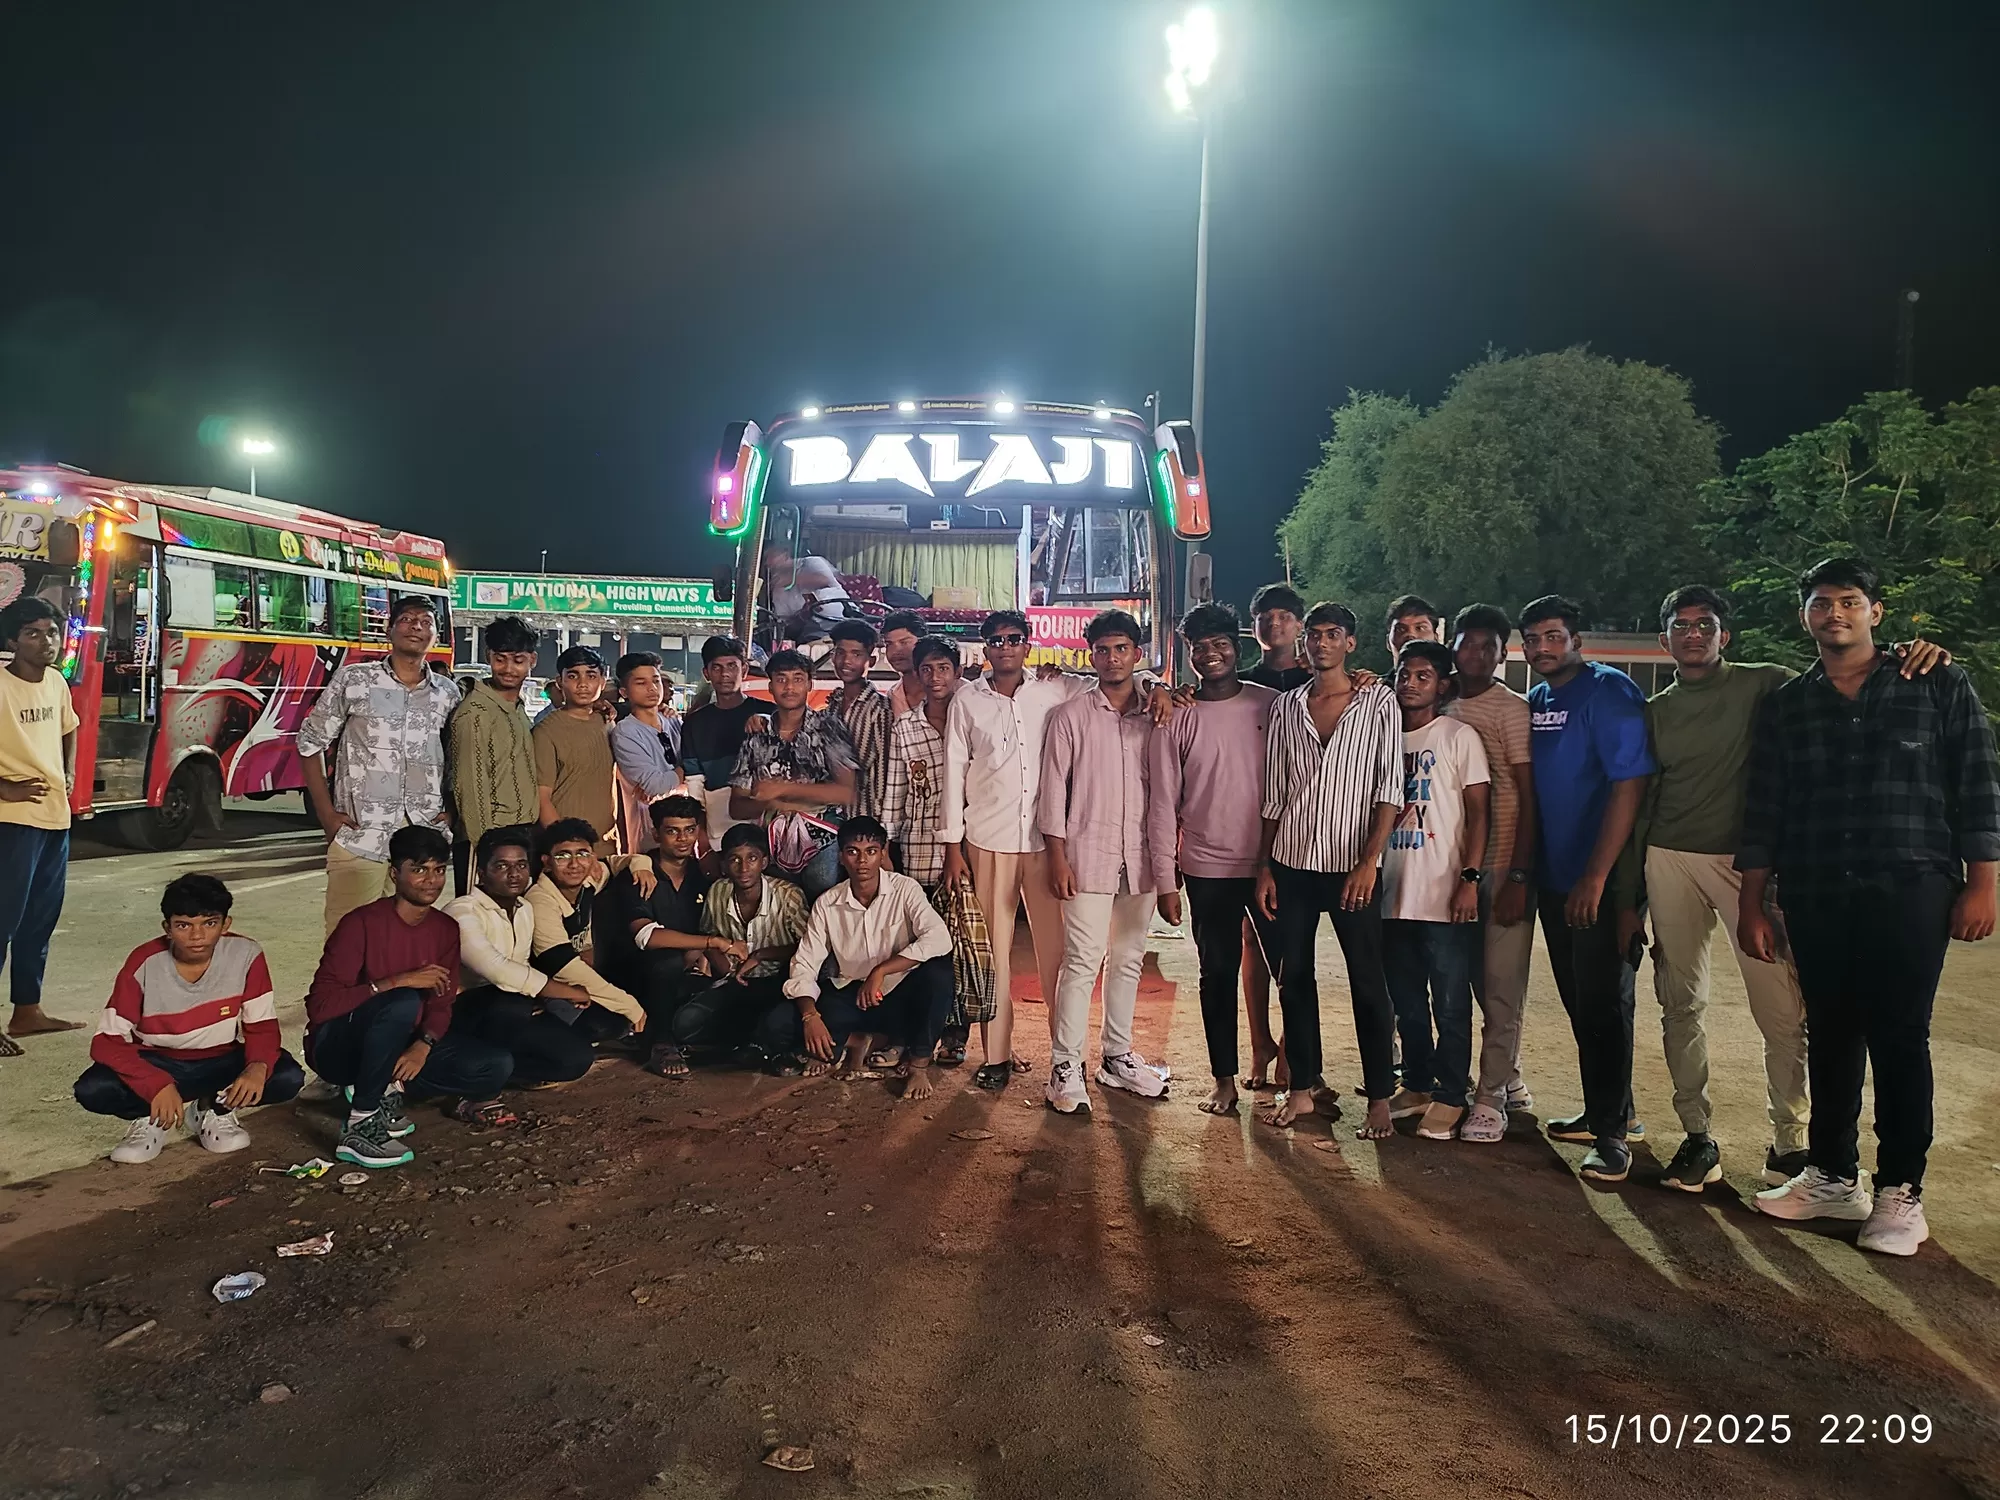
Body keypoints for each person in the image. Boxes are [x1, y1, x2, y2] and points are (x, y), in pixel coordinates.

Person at [1741, 558, 1998, 1256]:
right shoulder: (1789, 704)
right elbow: (1766, 807)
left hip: (1911, 883)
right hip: (1817, 886)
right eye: (1822, 603)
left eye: (1850, 601)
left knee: (1900, 1034)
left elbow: (1976, 783)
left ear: (1875, 612)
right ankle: (1832, 1175)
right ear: (1805, 616)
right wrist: (1753, 901)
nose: (1836, 614)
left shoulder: (1935, 681)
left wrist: (1983, 882)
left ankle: (1901, 1191)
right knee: (1830, 1031)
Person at [1254, 601, 1404, 1137]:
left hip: (1350, 866)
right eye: (1314, 635)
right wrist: (1265, 867)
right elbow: (1275, 794)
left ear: (1350, 643)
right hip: (1292, 860)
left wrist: (1369, 862)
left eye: (1332, 634)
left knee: (1368, 980)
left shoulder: (1377, 702)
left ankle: (1380, 1099)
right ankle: (1302, 1090)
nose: (1321, 643)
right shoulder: (1287, 707)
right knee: (1294, 977)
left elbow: (1389, 788)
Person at [1520, 594, 1656, 1184]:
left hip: (1598, 881)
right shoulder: (1539, 698)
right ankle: (1610, 1109)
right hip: (1555, 877)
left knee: (1605, 1003)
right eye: (1532, 639)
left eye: (1553, 637)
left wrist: (1597, 878)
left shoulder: (1609, 691)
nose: (1542, 648)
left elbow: (1630, 786)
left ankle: (1612, 1137)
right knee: (1581, 1001)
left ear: (1576, 641)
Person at [305, 825, 514, 1169]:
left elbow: (441, 1003)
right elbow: (321, 1007)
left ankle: (385, 1089)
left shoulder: (445, 929)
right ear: (394, 874)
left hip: (401, 1041)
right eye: (418, 870)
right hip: (339, 1046)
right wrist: (398, 981)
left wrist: (424, 1045)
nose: (431, 881)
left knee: (495, 1066)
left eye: (438, 870)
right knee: (404, 1001)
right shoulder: (361, 923)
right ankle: (361, 1122)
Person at [1144, 604, 1280, 1116]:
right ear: (1189, 655)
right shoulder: (1175, 717)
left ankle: (1295, 1073)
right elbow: (1163, 803)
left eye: (1220, 643)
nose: (1211, 654)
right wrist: (1166, 879)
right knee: (1217, 975)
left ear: (1237, 647)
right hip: (1206, 868)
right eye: (1199, 647)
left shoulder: (1272, 706)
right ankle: (1224, 1080)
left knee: (1292, 974)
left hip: (1271, 865)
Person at [1038, 610, 1174, 1115]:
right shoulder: (1070, 716)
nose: (1112, 658)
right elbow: (1053, 791)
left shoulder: (1156, 714)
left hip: (1141, 855)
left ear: (1137, 654)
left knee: (1130, 957)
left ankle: (1117, 1057)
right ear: (1090, 655)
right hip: (1086, 855)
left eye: (1121, 649)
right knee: (1081, 960)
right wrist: (1057, 857)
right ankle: (1064, 1067)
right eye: (1102, 650)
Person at [74, 874, 304, 1163]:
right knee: (93, 1089)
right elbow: (106, 1042)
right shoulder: (144, 962)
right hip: (158, 1060)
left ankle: (214, 1109)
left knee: (285, 1077)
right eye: (184, 925)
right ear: (167, 928)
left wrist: (257, 1066)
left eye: (209, 923)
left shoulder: (246, 955)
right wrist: (155, 1083)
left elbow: (262, 1027)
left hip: (220, 1058)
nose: (197, 936)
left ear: (226, 924)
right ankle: (150, 1116)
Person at [296, 595, 461, 937]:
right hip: (361, 834)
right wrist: (326, 814)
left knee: (406, 940)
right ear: (389, 630)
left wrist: (452, 810)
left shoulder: (447, 693)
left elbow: (455, 756)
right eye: (407, 619)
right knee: (347, 938)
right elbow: (310, 742)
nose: (416, 627)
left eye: (426, 622)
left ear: (436, 635)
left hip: (423, 837)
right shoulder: (355, 680)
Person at [1379, 641, 1491, 1141]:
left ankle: (1451, 1095)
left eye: (1423, 676)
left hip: (1443, 892)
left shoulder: (1457, 736)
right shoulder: (1382, 737)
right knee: (1406, 1000)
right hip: (1391, 891)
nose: (1410, 683)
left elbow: (1480, 814)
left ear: (1443, 685)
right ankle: (1418, 1083)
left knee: (1449, 1001)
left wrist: (1470, 879)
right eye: (1404, 674)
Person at [1442, 603, 1539, 1139]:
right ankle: (1507, 1077)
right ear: (1453, 647)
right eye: (1468, 643)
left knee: (1501, 989)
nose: (1477, 654)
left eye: (1489, 646)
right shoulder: (1440, 700)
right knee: (1464, 982)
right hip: (1451, 868)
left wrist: (1519, 877)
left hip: (1501, 866)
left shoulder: (1512, 710)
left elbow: (1528, 795)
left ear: (1503, 655)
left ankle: (1491, 1099)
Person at [444, 825, 631, 1092]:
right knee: (510, 1003)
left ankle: (497, 1069)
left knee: (576, 1060)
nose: (514, 874)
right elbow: (497, 970)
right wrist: (563, 991)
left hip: (512, 1004)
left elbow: (521, 966)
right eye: (502, 866)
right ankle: (471, 1070)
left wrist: (544, 997)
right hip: (464, 1008)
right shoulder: (462, 912)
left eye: (521, 865)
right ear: (482, 872)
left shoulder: (524, 909)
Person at [780, 817, 955, 1099]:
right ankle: (861, 1041)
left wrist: (881, 971)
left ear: (883, 854)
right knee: (778, 1023)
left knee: (939, 974)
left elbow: (939, 939)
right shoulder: (827, 903)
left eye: (871, 851)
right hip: (854, 996)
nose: (862, 861)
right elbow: (804, 963)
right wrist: (810, 1016)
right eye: (853, 852)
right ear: (841, 856)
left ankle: (918, 1065)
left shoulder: (905, 889)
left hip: (900, 995)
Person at [880, 636, 989, 1070]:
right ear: (917, 673)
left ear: (958, 672)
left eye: (944, 668)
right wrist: (887, 846)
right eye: (927, 669)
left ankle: (957, 1035)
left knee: (965, 948)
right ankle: (915, 1032)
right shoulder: (905, 728)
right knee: (922, 947)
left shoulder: (976, 716)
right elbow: (895, 791)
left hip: (974, 847)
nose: (935, 677)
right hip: (921, 851)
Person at [600, 796, 745, 1075]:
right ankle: (661, 1044)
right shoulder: (638, 874)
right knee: (666, 960)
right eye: (672, 831)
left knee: (726, 993)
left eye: (689, 830)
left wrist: (725, 972)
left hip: (679, 976)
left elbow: (705, 928)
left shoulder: (700, 875)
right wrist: (712, 943)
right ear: (656, 834)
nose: (682, 839)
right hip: (632, 976)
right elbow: (646, 937)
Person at [1237, 583, 1310, 1087]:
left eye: (1285, 615)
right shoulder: (1241, 683)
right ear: (1254, 625)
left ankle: (1289, 1047)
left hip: (1302, 827)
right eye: (1265, 616)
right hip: (1247, 822)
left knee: (1293, 943)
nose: (1275, 623)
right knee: (1251, 939)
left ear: (1299, 625)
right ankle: (1260, 1044)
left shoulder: (1319, 681)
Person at [0, 596, 83, 1040]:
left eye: (52, 632)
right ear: (12, 641)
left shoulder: (55, 682)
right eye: (32, 633)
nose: (46, 641)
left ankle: (26, 1011)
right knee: (3, 921)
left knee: (39, 920)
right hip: (12, 821)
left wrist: (68, 770)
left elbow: (70, 727)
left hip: (54, 818)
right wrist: (4, 787)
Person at [729, 649, 858, 900]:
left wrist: (784, 789)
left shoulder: (828, 727)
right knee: (770, 892)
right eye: (781, 679)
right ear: (770, 686)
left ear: (810, 684)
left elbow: (846, 792)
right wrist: (772, 803)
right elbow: (736, 807)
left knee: (821, 878)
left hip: (822, 835)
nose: (789, 687)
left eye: (798, 679)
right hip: (771, 838)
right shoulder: (757, 735)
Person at [518, 817, 651, 1055]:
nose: (574, 864)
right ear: (546, 862)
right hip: (546, 988)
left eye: (582, 854)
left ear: (592, 858)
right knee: (606, 1024)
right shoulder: (540, 899)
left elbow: (623, 861)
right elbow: (563, 967)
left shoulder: (589, 880)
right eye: (563, 856)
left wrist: (642, 866)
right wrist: (629, 1005)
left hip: (581, 978)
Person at [681, 823, 809, 1062]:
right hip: (735, 983)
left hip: (778, 982)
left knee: (775, 1024)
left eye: (752, 858)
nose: (743, 868)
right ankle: (747, 1042)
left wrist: (760, 956)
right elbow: (707, 934)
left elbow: (808, 948)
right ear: (723, 864)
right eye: (734, 860)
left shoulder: (788, 894)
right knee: (685, 1024)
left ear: (764, 861)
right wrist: (725, 969)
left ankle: (753, 1041)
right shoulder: (718, 891)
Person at [446, 615, 540, 897]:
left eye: (518, 660)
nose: (508, 669)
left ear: (532, 660)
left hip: (518, 835)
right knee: (480, 916)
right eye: (500, 659)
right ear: (488, 657)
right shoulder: (474, 714)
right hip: (488, 841)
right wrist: (487, 853)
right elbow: (470, 789)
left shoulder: (517, 709)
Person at [533, 645, 618, 850]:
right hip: (568, 850)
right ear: (560, 682)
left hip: (606, 844)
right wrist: (568, 847)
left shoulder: (606, 721)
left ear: (602, 682)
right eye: (573, 676)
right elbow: (541, 799)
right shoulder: (545, 732)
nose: (582, 684)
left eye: (591, 676)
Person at [681, 636, 762, 843]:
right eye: (716, 668)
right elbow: (695, 783)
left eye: (732, 666)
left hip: (766, 824)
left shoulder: (769, 714)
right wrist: (702, 836)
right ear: (706, 673)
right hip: (718, 830)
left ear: (744, 670)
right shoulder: (694, 724)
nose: (725, 674)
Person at [610, 651, 684, 853]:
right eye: (641, 683)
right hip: (649, 830)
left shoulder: (672, 721)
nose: (652, 688)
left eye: (656, 681)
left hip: (683, 823)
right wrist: (687, 769)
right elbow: (654, 785)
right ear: (624, 692)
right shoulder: (625, 732)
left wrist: (676, 776)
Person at [827, 619, 894, 821]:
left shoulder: (880, 709)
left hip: (867, 817)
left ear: (871, 661)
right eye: (841, 653)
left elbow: (885, 773)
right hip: (832, 817)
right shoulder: (832, 706)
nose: (846, 661)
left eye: (856, 654)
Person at [763, 538, 850, 641]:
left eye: (770, 556)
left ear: (785, 554)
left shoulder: (811, 562)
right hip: (815, 634)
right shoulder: (777, 590)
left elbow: (824, 580)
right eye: (764, 559)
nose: (767, 563)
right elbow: (787, 624)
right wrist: (802, 617)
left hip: (845, 620)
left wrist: (791, 579)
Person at [879, 609, 929, 715]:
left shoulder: (956, 690)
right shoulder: (893, 696)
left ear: (924, 642)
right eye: (889, 644)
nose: (895, 651)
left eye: (904, 642)